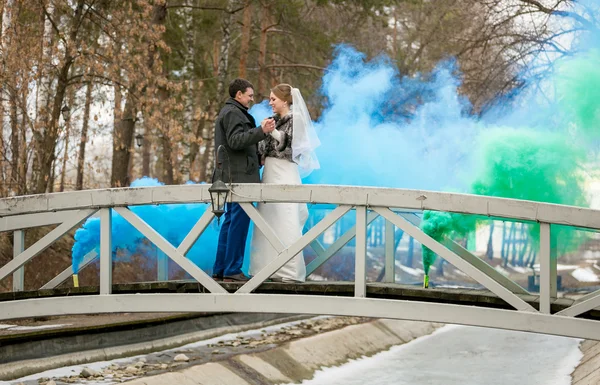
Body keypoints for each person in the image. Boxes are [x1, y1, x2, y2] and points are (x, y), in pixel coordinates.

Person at [249, 84, 320, 282]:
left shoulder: (296, 119)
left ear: (285, 100)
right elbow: (265, 146)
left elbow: (292, 148)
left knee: (286, 215)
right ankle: (264, 268)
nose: (270, 102)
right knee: (269, 217)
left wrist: (272, 133)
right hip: (270, 172)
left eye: (273, 99)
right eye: (270, 99)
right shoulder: (274, 120)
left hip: (285, 171)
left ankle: (288, 270)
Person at [212, 78, 275, 282]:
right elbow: (235, 141)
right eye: (249, 95)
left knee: (230, 223)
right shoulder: (233, 113)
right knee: (237, 224)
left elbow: (236, 144)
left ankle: (221, 269)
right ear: (238, 95)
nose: (251, 99)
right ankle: (232, 270)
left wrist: (258, 157)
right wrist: (261, 132)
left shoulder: (231, 112)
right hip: (238, 179)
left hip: (233, 175)